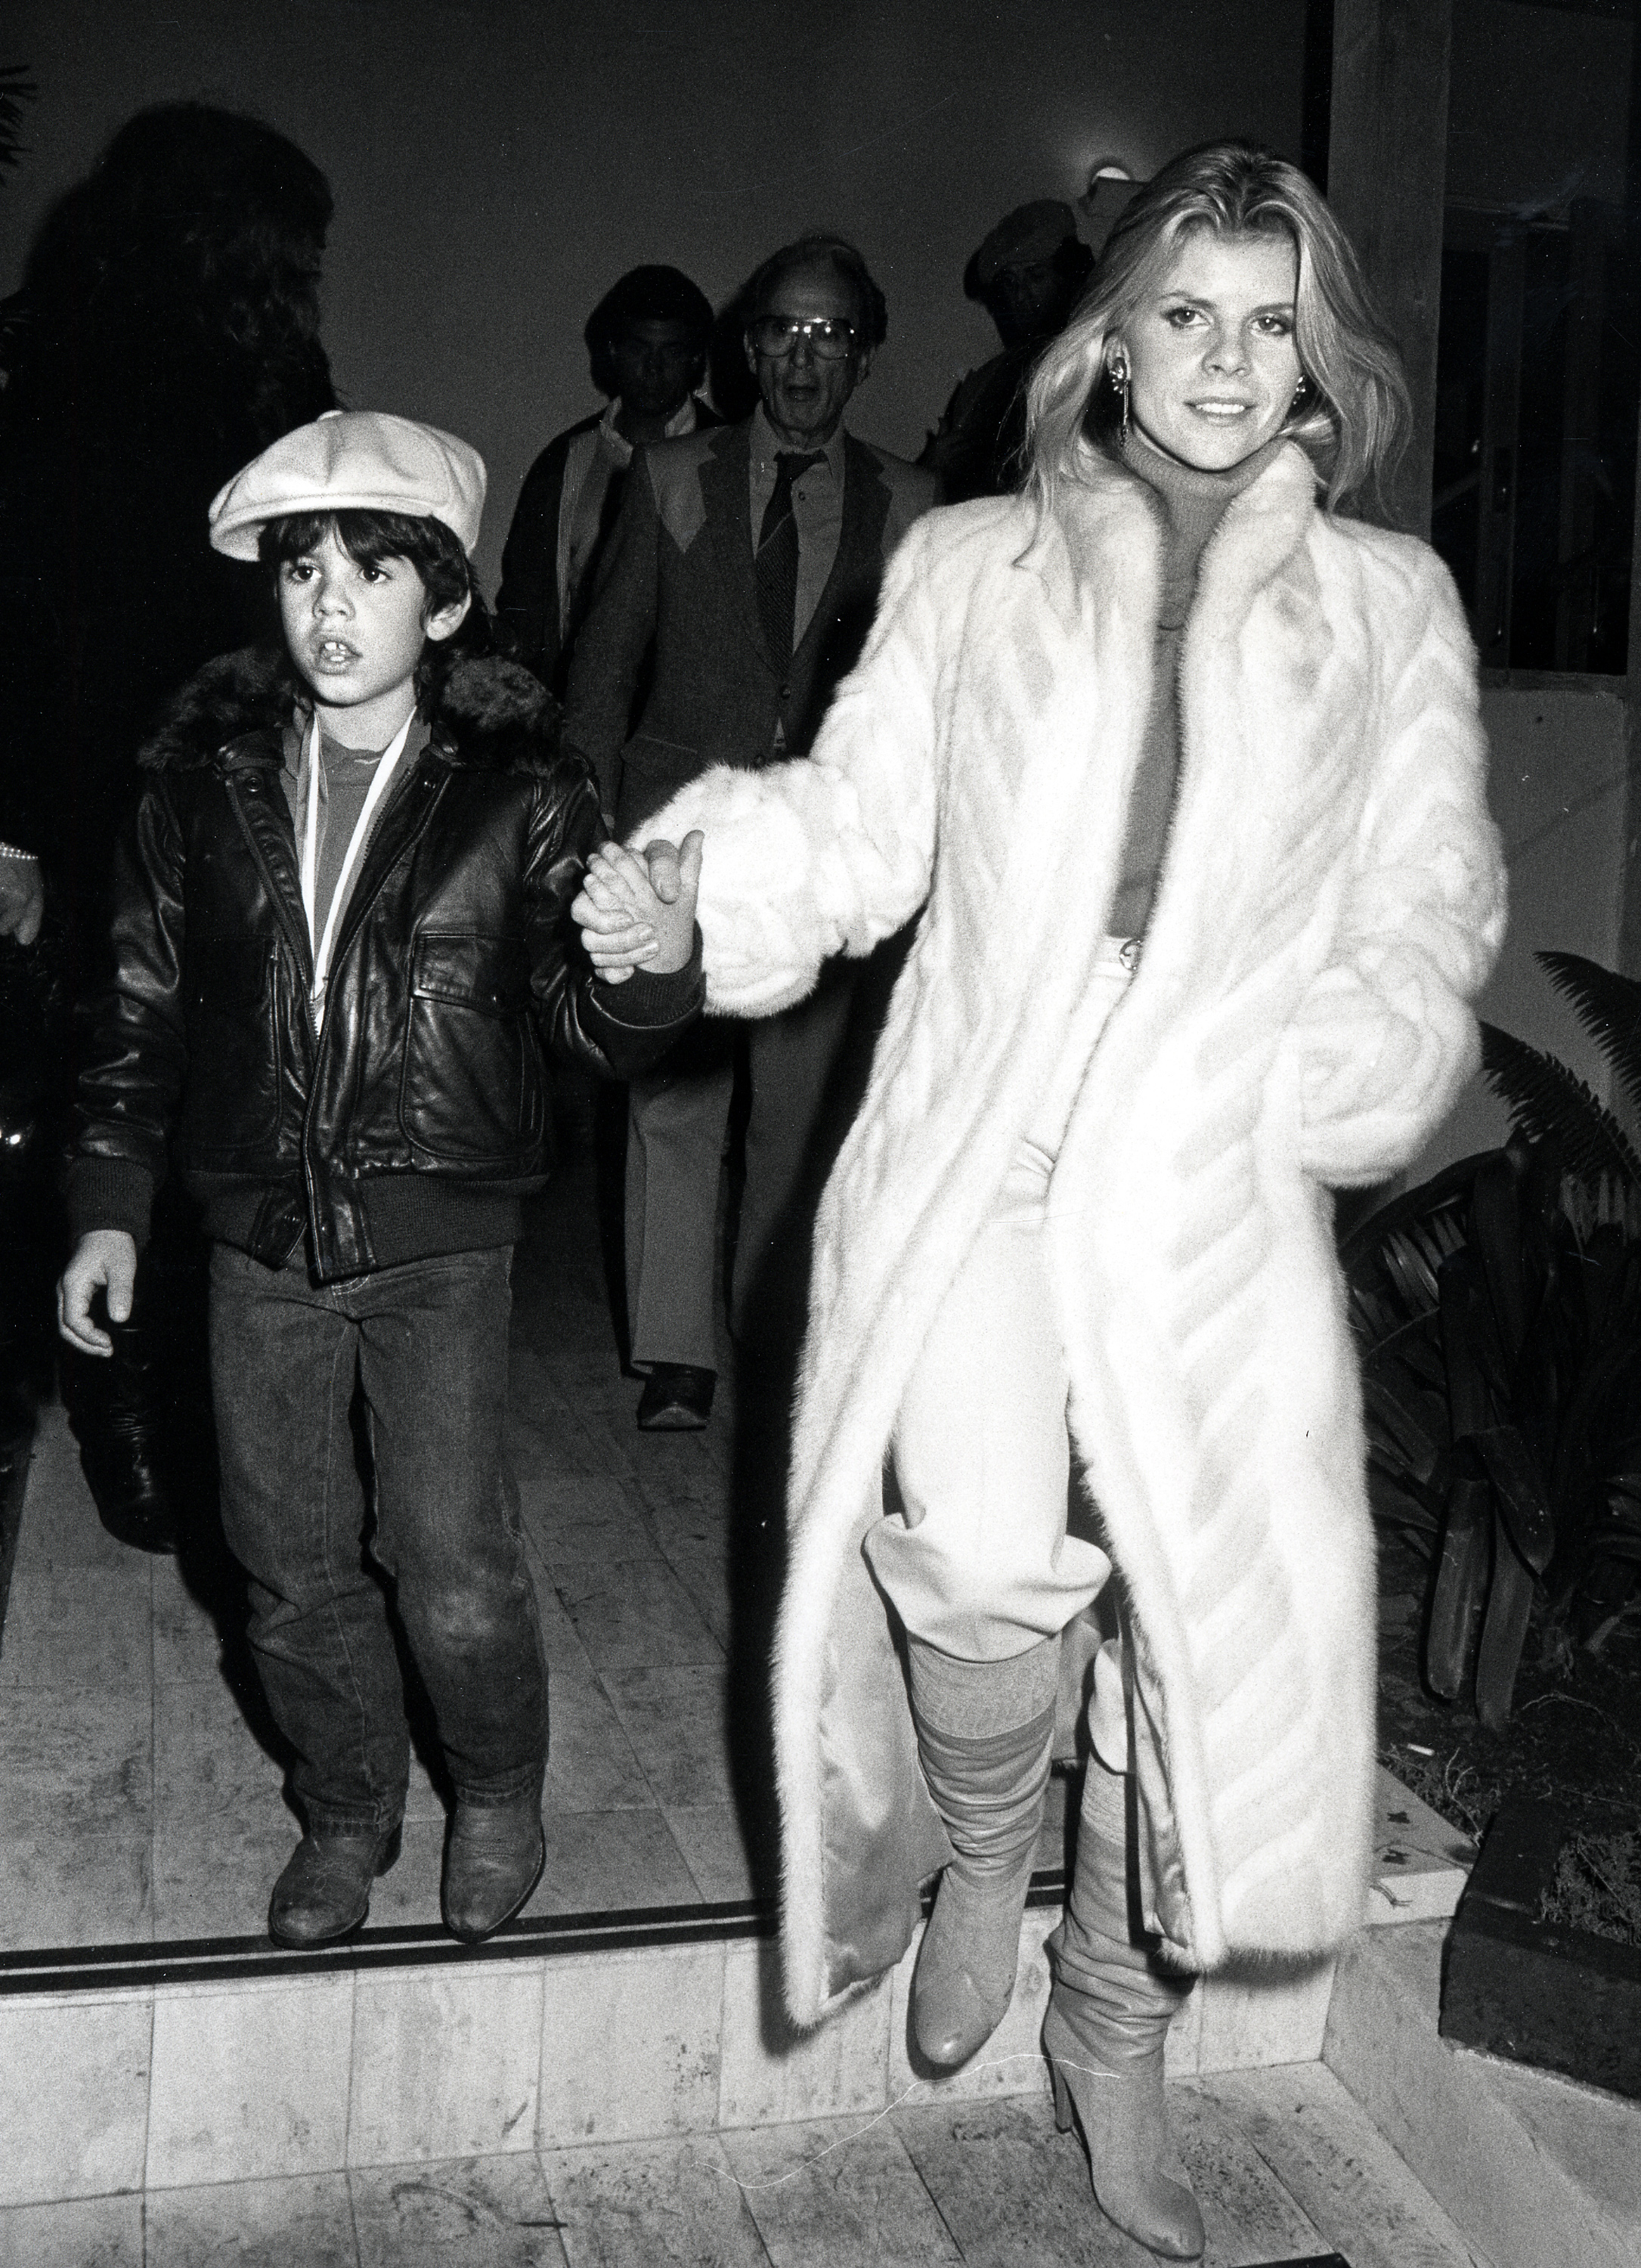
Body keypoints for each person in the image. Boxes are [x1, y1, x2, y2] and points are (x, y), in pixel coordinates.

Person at [576, 142, 1506, 2256]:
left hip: (1207, 1141)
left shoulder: (1388, 608)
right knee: (986, 1556)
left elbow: (1423, 903)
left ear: (1316, 358)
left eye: (1271, 321)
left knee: (1187, 1643)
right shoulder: (974, 566)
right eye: (1186, 309)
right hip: (991, 1114)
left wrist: (1329, 1058)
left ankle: (1114, 2026)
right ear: (1111, 333)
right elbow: (859, 822)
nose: (1224, 361)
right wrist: (692, 892)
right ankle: (982, 1841)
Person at [56, 411, 703, 1950]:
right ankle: (348, 1808)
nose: (331, 608)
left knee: (450, 1558)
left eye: (372, 571)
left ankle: (495, 1791)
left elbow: (582, 1018)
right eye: (299, 572)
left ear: (449, 601)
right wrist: (103, 1205)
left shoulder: (519, 795)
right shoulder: (201, 789)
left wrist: (653, 966)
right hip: (258, 1236)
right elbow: (138, 1007)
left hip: (436, 1240)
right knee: (282, 1562)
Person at [0, 103, 339, 1550]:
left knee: (223, 1104)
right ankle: (122, 1414)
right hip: (93, 794)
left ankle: (189, 1415)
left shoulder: (275, 374)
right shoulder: (54, 365)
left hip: (228, 788)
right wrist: (12, 830)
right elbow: (13, 609)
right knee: (107, 1100)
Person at [562, 234, 936, 1430]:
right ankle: (678, 1354)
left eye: (829, 335)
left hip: (820, 857)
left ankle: (773, 1338)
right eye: (780, 330)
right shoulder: (670, 475)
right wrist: (587, 831)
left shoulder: (914, 508)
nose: (801, 357)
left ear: (865, 356)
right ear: (749, 345)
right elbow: (602, 670)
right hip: (675, 840)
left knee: (800, 1113)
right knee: (671, 1100)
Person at [497, 265, 719, 697]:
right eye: (640, 348)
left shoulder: (730, 458)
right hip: (573, 704)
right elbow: (524, 606)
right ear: (613, 351)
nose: (653, 368)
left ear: (695, 360)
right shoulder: (562, 464)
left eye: (671, 351)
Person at [920, 198, 1095, 502]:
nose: (1023, 295)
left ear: (1071, 273)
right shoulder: (985, 383)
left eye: (1036, 276)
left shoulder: (1105, 360)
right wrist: (933, 467)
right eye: (1011, 283)